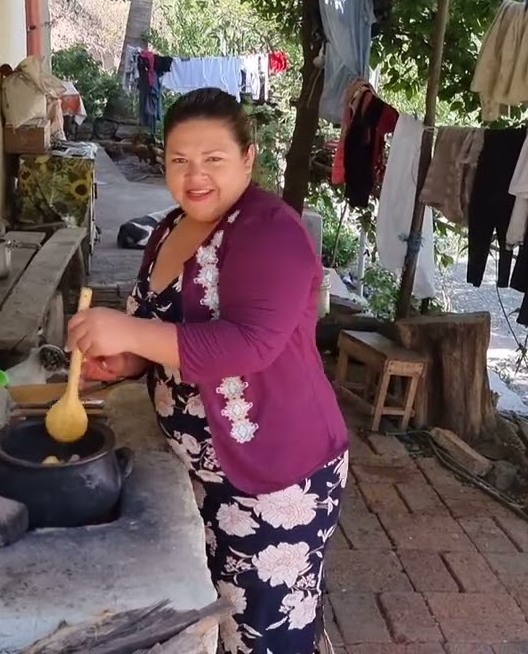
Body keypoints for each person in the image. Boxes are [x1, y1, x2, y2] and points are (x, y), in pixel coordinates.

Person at [67, 87, 350, 654]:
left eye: (214, 159)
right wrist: (127, 359)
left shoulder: (271, 232)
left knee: (266, 636)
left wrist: (129, 332)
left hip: (272, 476)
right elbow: (159, 331)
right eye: (179, 160)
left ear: (248, 158)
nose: (195, 176)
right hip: (198, 471)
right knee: (213, 625)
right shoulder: (171, 227)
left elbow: (250, 344)